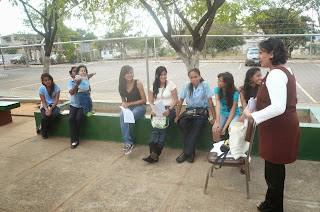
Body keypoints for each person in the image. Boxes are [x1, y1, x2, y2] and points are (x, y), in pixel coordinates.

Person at [243, 37, 300, 212]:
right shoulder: (282, 70)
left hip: (279, 130)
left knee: (274, 173)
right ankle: (270, 203)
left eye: (261, 53)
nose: (258, 56)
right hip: (279, 128)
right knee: (273, 171)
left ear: (272, 53)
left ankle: (274, 208)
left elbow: (278, 107)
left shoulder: (276, 74)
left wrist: (252, 116)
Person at [174, 68, 216, 163]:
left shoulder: (204, 85)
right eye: (191, 77)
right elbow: (180, 101)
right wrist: (177, 116)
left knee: (199, 124)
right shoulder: (186, 85)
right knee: (182, 122)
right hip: (190, 111)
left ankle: (186, 152)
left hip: (202, 111)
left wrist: (215, 118)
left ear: (200, 76)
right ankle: (191, 152)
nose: (194, 79)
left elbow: (210, 102)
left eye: (196, 77)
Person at [143, 66, 178, 163]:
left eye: (165, 74)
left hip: (168, 110)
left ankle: (156, 153)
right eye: (161, 75)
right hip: (157, 110)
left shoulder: (171, 84)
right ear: (157, 75)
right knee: (155, 129)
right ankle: (153, 154)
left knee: (163, 128)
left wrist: (169, 110)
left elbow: (176, 100)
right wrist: (152, 110)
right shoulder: (153, 86)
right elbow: (151, 101)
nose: (163, 77)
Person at [119, 65, 147, 154]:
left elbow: (144, 100)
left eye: (131, 72)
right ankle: (128, 142)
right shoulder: (121, 86)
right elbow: (124, 101)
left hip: (140, 107)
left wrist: (130, 104)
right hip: (130, 108)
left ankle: (129, 142)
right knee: (122, 115)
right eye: (127, 73)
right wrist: (124, 105)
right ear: (123, 75)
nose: (130, 75)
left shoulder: (138, 83)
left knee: (128, 116)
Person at [212, 72, 241, 142]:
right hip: (222, 113)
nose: (217, 82)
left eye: (219, 80)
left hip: (234, 114)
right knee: (216, 129)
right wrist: (217, 122)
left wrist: (224, 128)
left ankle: (231, 150)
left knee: (232, 129)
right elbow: (218, 106)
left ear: (226, 83)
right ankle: (217, 148)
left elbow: (232, 112)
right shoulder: (217, 90)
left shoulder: (235, 93)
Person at [38, 73, 60, 139]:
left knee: (54, 115)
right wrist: (46, 109)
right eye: (46, 80)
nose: (48, 81)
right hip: (45, 106)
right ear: (43, 82)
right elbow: (43, 101)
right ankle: (44, 134)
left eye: (49, 79)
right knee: (44, 118)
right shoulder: (41, 89)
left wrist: (51, 109)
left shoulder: (56, 87)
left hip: (54, 105)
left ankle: (42, 125)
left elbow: (56, 100)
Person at [68, 66, 84, 149]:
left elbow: (88, 91)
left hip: (82, 105)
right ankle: (74, 140)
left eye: (78, 71)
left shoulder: (84, 81)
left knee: (78, 118)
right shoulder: (70, 82)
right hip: (74, 105)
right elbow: (71, 92)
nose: (76, 72)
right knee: (71, 119)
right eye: (74, 71)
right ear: (71, 74)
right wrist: (77, 84)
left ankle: (76, 137)